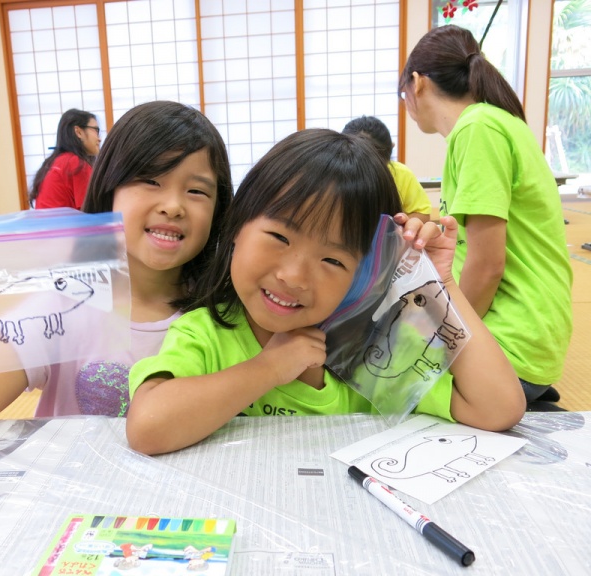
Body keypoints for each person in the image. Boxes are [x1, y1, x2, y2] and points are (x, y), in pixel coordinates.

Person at [126, 129, 526, 456]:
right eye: (279, 236)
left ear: (366, 273)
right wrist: (270, 368)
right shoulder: (206, 334)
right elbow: (147, 427)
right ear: (236, 229)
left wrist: (441, 285)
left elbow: (498, 406)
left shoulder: (370, 351)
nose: (294, 276)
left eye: (333, 260)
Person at [0, 101, 233, 432]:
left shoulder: (224, 314)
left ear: (219, 211)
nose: (173, 206)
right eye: (151, 181)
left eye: (196, 191)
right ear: (109, 188)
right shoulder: (62, 303)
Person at [398, 25, 573, 405]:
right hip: (531, 331)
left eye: (403, 94)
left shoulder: (477, 129)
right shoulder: (496, 122)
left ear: (417, 83)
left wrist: (447, 339)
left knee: (383, 382)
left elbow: (487, 263)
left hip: (512, 338)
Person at [342, 115, 432, 222]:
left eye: (376, 166)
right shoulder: (332, 175)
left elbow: (423, 214)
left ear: (390, 150)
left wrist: (396, 225)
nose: (367, 172)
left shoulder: (401, 174)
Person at [29, 109, 101, 210]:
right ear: (78, 132)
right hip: (61, 225)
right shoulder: (76, 164)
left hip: (45, 224)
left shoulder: (55, 161)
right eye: (96, 130)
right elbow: (90, 210)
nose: (99, 138)